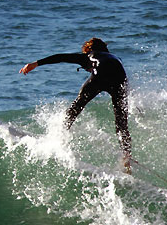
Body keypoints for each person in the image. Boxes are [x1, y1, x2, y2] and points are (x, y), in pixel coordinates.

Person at [19, 38, 132, 173]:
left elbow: (61, 57)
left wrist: (36, 64)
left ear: (88, 49)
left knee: (76, 107)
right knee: (121, 122)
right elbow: (122, 82)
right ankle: (126, 155)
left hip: (100, 75)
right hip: (120, 80)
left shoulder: (89, 56)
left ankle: (58, 137)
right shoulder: (115, 58)